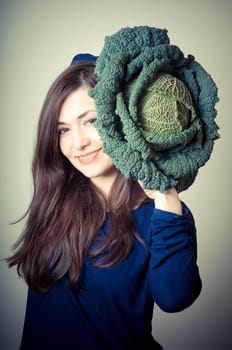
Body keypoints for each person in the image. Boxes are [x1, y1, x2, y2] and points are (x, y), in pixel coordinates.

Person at [7, 57, 202, 350]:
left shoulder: (163, 215)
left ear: (123, 123)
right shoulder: (56, 199)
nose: (77, 143)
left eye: (91, 121)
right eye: (63, 130)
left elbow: (175, 297)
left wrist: (165, 193)